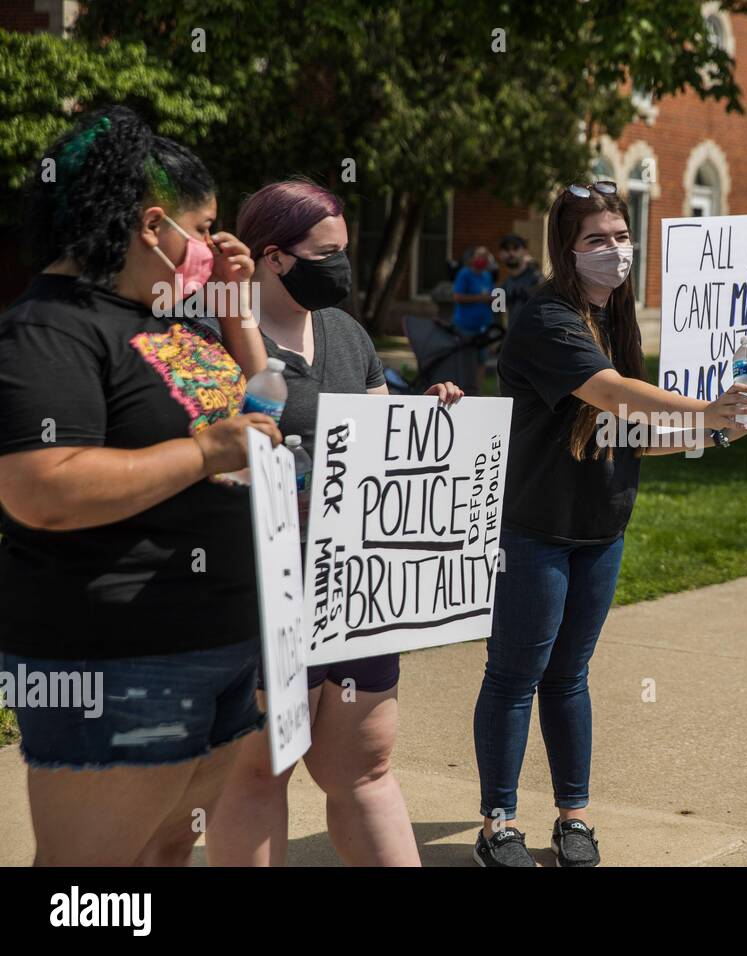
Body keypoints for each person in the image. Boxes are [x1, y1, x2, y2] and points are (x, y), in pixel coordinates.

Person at [0, 105, 279, 866]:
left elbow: (257, 403)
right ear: (155, 228)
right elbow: (41, 487)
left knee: (165, 855)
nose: (213, 246)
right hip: (117, 661)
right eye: (206, 226)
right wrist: (203, 452)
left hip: (220, 644)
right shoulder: (52, 330)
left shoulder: (172, 320)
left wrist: (233, 302)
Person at [472, 180, 747, 867]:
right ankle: (498, 823)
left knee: (570, 674)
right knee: (515, 674)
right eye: (596, 240)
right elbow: (614, 393)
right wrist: (706, 408)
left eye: (622, 237)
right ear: (567, 251)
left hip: (600, 527)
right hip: (534, 528)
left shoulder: (613, 320)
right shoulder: (546, 319)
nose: (614, 252)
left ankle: (574, 816)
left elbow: (625, 429)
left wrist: (715, 436)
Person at [203, 179, 463, 867]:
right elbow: (205, 460)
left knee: (365, 767)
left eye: (345, 251)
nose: (341, 267)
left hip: (355, 588)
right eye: (326, 254)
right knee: (261, 773)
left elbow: (382, 438)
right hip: (263, 594)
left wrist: (429, 421)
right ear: (273, 258)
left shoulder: (347, 334)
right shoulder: (216, 337)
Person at [452, 244, 497, 392]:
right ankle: (465, 391)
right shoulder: (464, 274)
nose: (482, 259)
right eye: (479, 255)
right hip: (466, 327)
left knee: (482, 360)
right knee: (467, 363)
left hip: (483, 326)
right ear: (472, 258)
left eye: (485, 256)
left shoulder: (487, 275)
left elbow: (490, 296)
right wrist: (480, 297)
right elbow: (457, 297)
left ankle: (476, 391)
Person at [497, 233, 542, 324]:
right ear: (500, 254)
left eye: (516, 248)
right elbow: (498, 313)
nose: (511, 253)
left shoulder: (537, 279)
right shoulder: (504, 285)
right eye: (506, 249)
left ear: (525, 251)